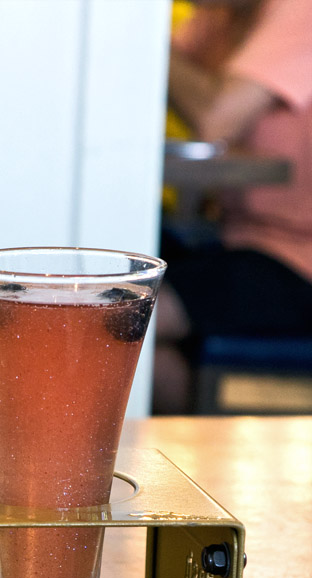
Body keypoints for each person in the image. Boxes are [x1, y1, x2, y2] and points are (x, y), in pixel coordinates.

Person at [155, 0, 312, 412]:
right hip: (235, 239)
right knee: (121, 284)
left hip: (295, 261)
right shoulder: (224, 14)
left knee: (132, 313)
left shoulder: (299, 11)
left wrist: (145, 31)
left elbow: (213, 116)